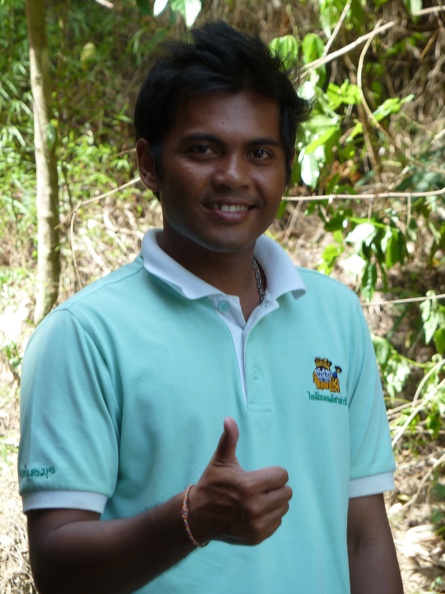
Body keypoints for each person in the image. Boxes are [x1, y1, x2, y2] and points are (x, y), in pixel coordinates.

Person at [18, 21, 403, 594]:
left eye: (260, 153)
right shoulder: (83, 335)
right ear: (149, 164)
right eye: (203, 149)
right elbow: (56, 567)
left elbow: (364, 536)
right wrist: (191, 520)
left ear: (285, 167)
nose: (233, 176)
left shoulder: (336, 315)